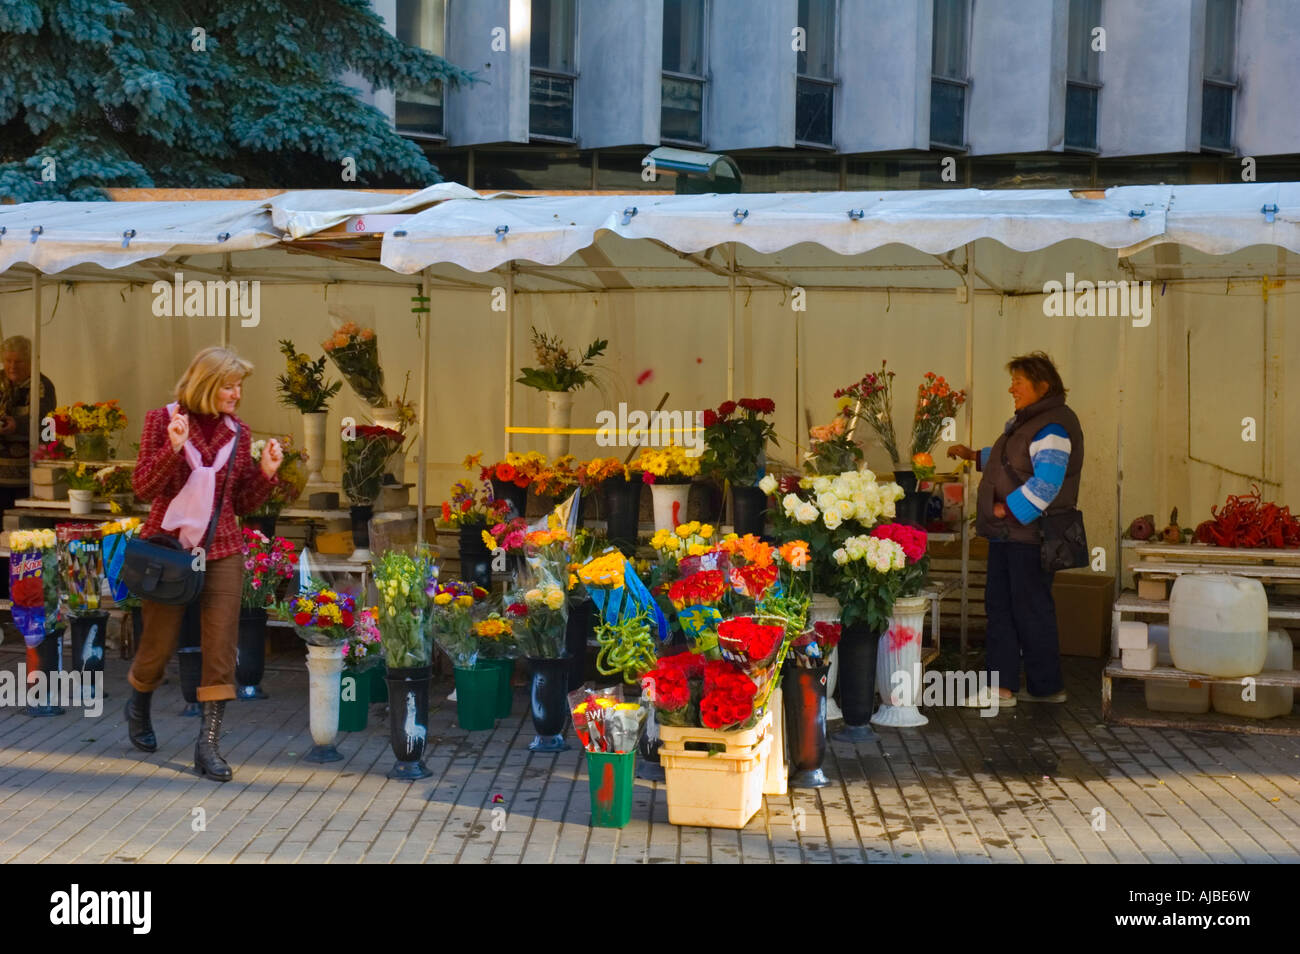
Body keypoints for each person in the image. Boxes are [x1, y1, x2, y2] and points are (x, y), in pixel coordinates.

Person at [124, 347, 282, 781]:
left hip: (222, 548)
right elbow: (144, 486)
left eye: (240, 387)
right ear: (208, 384)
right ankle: (138, 702)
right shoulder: (162, 420)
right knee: (158, 644)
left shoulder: (239, 432)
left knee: (220, 649)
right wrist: (173, 448)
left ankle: (207, 745)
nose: (237, 394)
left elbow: (241, 502)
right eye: (230, 386)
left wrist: (265, 474)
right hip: (168, 547)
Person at [947, 352, 1084, 709]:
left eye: (1018, 382)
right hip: (1010, 536)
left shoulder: (1053, 427)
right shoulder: (1031, 423)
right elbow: (1011, 457)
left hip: (1028, 538)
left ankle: (1044, 686)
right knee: (1004, 608)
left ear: (1042, 385)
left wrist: (1005, 509)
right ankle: (1006, 687)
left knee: (1029, 610)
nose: (1011, 388)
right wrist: (974, 455)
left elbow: (1048, 483)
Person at [0, 336, 57, 600]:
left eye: (18, 362)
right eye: (8, 360)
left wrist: (18, 426)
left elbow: (45, 422)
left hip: (26, 478)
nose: (12, 366)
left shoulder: (42, 385)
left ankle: (26, 594)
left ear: (30, 362)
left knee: (23, 537)